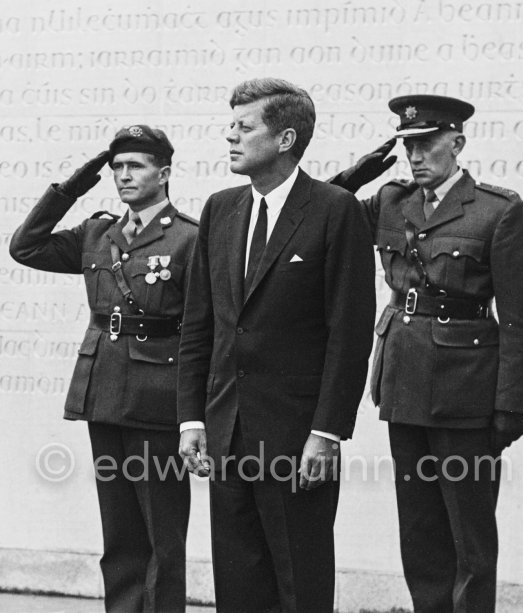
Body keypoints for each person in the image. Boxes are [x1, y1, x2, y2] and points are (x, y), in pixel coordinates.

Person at [331, 95, 523, 613]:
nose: (415, 156)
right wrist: (354, 176)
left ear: (457, 143)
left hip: (465, 391)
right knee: (420, 530)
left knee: (468, 535)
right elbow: (320, 215)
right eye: (408, 146)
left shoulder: (498, 210)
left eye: (426, 144)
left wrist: (511, 405)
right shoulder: (390, 201)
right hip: (402, 381)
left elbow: (521, 320)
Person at [177, 78, 376, 613]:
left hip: (296, 437)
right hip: (227, 431)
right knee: (238, 587)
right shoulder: (220, 209)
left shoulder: (336, 210)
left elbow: (350, 334)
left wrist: (327, 431)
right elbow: (201, 324)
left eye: (245, 127)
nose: (230, 137)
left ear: (285, 138)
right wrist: (192, 419)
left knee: (300, 583)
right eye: (230, 126)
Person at [9, 126, 197, 613]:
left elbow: (204, 328)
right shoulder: (99, 232)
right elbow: (25, 247)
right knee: (119, 535)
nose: (123, 175)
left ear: (165, 173)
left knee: (161, 535)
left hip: (159, 395)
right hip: (104, 391)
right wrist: (70, 188)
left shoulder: (188, 238)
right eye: (116, 167)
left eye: (135, 165)